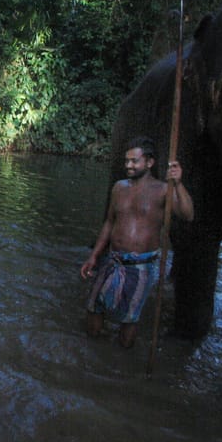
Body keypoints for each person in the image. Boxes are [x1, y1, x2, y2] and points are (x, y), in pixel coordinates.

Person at [80, 136, 194, 348]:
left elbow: (187, 214)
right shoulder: (119, 187)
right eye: (127, 161)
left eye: (134, 161)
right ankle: (93, 351)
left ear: (149, 163)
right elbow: (109, 223)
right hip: (113, 260)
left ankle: (122, 359)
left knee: (129, 319)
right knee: (93, 308)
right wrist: (94, 255)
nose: (129, 166)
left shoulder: (163, 190)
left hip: (141, 265)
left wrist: (178, 183)